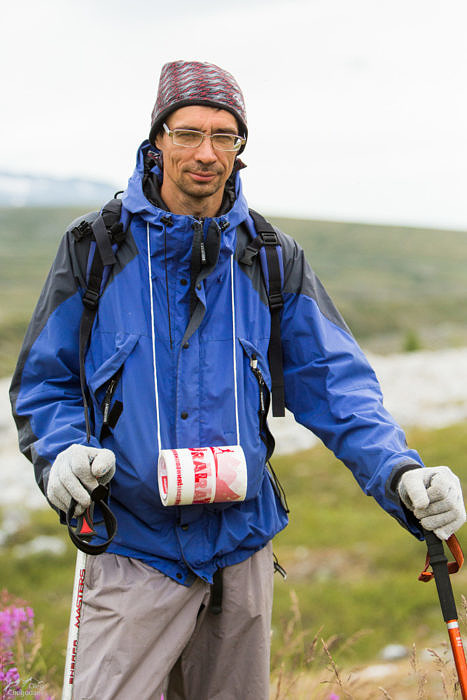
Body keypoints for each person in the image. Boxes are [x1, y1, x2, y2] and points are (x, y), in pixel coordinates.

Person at [10, 60, 465, 700]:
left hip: (242, 551)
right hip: (131, 546)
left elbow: (335, 384)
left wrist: (400, 472)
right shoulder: (94, 249)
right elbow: (44, 381)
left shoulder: (272, 259)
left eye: (225, 137)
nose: (207, 153)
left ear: (240, 149)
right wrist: (59, 457)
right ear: (157, 139)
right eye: (189, 133)